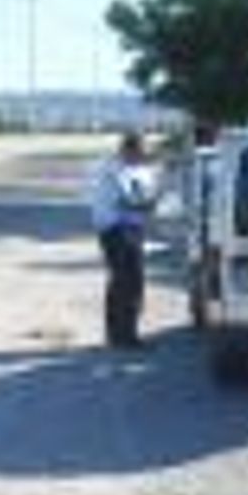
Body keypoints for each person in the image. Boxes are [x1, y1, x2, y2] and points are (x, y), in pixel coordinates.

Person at [90, 132, 159, 348]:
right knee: (126, 281)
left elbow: (146, 196)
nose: (142, 155)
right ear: (127, 150)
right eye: (139, 151)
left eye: (143, 151)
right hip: (115, 229)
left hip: (133, 228)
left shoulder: (139, 170)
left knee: (129, 281)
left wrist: (151, 204)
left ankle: (123, 332)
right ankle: (122, 335)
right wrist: (148, 204)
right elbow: (126, 201)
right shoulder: (113, 170)